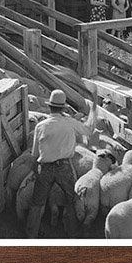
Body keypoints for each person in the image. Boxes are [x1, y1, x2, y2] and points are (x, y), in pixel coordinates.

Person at [25, 89, 90, 237]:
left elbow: (34, 154)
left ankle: (30, 236)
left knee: (37, 203)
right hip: (65, 167)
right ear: (63, 108)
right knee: (71, 200)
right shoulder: (70, 123)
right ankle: (72, 233)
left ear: (49, 106)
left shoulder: (40, 126)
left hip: (45, 168)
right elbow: (87, 131)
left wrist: (35, 170)